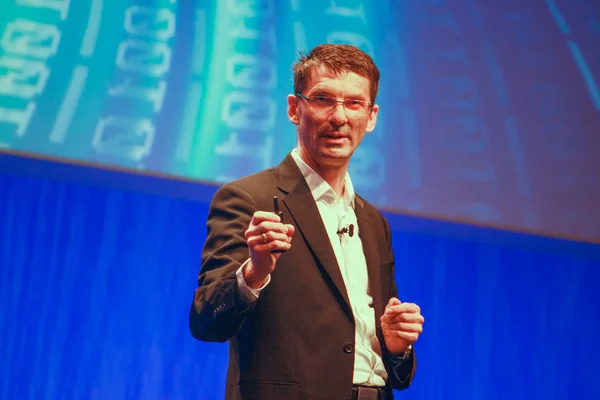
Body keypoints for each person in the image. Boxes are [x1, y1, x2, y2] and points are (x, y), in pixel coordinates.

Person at [189, 44, 424, 400]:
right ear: (294, 108)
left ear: (371, 116)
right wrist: (253, 274)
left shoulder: (374, 223)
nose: (339, 117)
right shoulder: (247, 198)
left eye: (354, 104)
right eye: (323, 99)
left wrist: (395, 347)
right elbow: (206, 318)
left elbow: (393, 367)